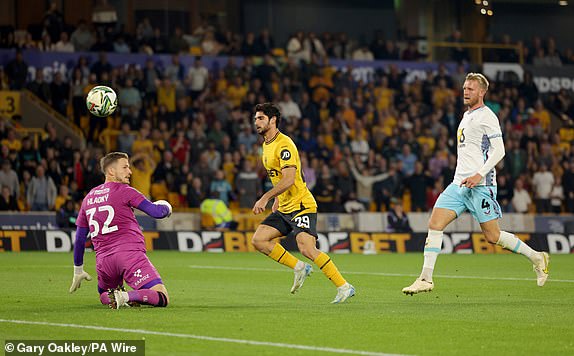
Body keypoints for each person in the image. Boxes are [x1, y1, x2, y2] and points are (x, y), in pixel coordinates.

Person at [402, 73, 549, 295]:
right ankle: (425, 278)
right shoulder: (466, 116)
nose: (465, 92)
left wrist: (479, 175)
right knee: (435, 223)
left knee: (492, 236)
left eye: (470, 89)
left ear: (482, 92)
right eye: (464, 88)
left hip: (480, 185)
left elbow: (500, 151)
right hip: (459, 183)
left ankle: (537, 257)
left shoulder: (487, 116)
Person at [251, 103, 355, 303]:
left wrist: (266, 197)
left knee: (307, 248)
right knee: (259, 240)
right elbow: (278, 176)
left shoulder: (284, 144)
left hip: (301, 205)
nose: (256, 122)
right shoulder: (266, 145)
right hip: (285, 206)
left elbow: (289, 179)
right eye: (256, 118)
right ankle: (299, 267)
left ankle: (344, 287)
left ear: (273, 120)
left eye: (261, 118)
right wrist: (279, 199)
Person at [69, 152, 172, 309]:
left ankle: (118, 296)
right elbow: (156, 212)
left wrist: (78, 270)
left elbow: (80, 239)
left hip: (104, 263)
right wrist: (167, 207)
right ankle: (126, 296)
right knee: (162, 296)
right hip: (129, 255)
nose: (129, 172)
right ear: (111, 171)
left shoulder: (88, 198)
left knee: (105, 295)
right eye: (125, 167)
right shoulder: (125, 190)